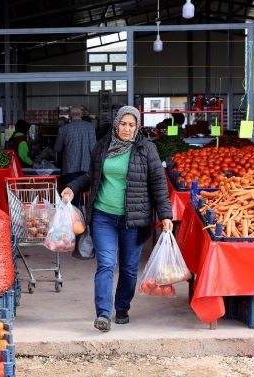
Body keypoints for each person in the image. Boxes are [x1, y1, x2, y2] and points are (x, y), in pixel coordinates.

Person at [60, 106, 173, 333]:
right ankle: (103, 313)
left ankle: (122, 307)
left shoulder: (147, 149)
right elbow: (91, 176)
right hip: (103, 216)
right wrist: (72, 188)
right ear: (116, 123)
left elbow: (158, 185)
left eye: (132, 125)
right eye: (123, 124)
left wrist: (166, 215)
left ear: (137, 126)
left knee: (130, 268)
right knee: (106, 264)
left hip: (134, 219)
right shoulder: (103, 146)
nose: (127, 129)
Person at [54, 105, 96, 206]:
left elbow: (57, 148)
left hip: (70, 167)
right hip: (87, 166)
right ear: (81, 115)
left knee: (73, 194)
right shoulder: (90, 127)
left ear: (70, 116)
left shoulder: (63, 129)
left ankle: (74, 218)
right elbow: (94, 149)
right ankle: (86, 216)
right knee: (88, 194)